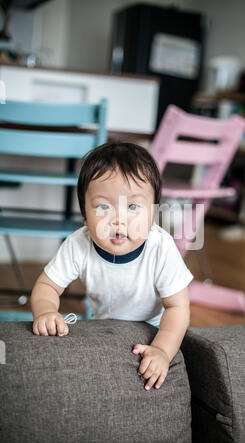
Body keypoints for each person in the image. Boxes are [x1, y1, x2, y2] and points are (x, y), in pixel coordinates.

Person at [31, 142, 194, 391]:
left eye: (132, 206)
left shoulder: (161, 247)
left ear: (153, 213)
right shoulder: (78, 244)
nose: (118, 220)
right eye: (103, 206)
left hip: (156, 328)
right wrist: (45, 312)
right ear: (85, 214)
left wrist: (162, 349)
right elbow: (46, 286)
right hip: (104, 325)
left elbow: (178, 307)